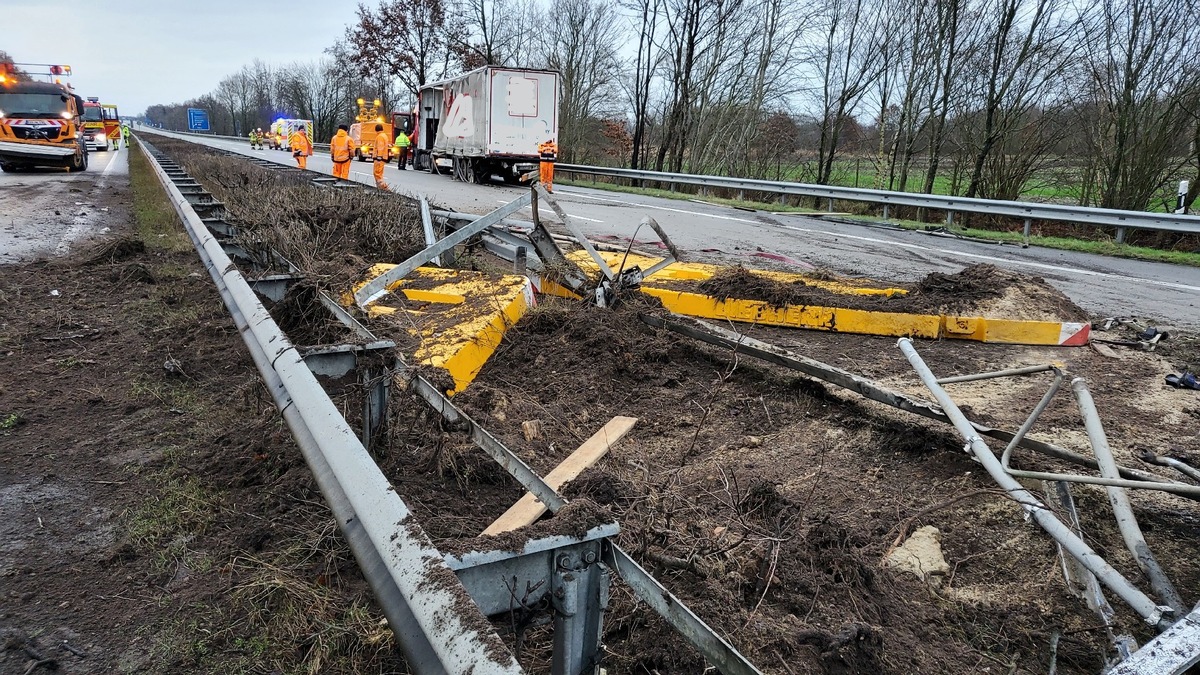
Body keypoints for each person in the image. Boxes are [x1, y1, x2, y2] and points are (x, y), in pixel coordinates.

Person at [371, 123, 392, 190]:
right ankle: (380, 188)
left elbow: (380, 147)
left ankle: (383, 188)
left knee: (377, 174)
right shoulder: (384, 135)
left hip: (379, 158)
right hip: (382, 158)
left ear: (376, 130)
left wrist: (379, 157)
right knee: (379, 174)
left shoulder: (380, 136)